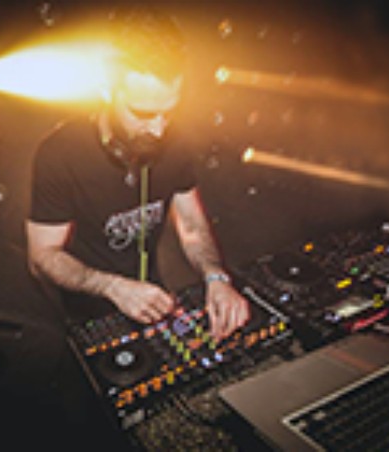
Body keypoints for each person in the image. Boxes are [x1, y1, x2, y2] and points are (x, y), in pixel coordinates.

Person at [26, 5, 249, 343]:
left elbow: (190, 224)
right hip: (86, 304)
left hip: (151, 292)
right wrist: (113, 287)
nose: (159, 130)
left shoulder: (176, 141)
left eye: (168, 112)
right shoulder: (59, 153)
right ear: (106, 89)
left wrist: (216, 277)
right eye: (143, 113)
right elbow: (41, 257)